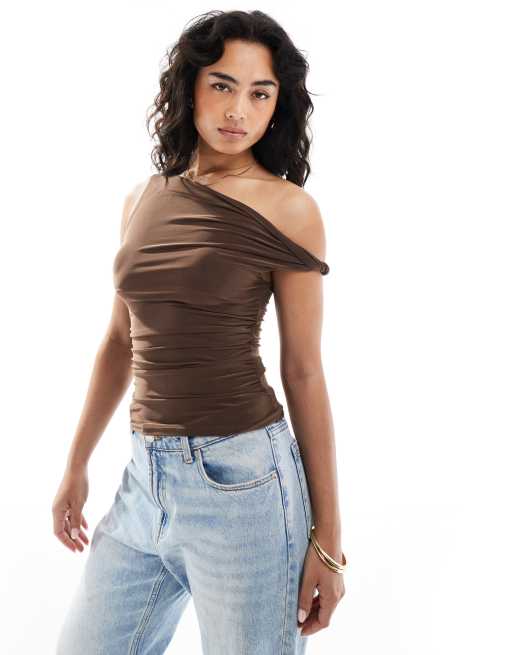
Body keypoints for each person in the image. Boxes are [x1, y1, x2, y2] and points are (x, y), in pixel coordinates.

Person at [53, 9, 346, 654]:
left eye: (260, 93)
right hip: (145, 480)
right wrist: (75, 465)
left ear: (278, 105)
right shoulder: (143, 197)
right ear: (190, 87)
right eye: (222, 85)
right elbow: (120, 342)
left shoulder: (289, 209)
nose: (239, 110)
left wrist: (328, 538)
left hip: (244, 485)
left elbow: (303, 370)